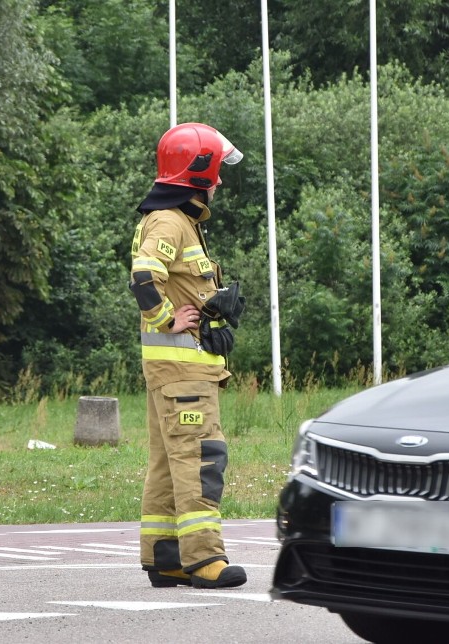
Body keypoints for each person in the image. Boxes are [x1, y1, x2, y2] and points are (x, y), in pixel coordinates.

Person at [129, 122, 247, 589]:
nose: (218, 182)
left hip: (178, 371)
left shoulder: (180, 222)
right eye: (215, 173)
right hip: (182, 372)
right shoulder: (170, 223)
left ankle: (165, 556)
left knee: (167, 461)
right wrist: (166, 319)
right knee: (201, 458)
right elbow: (143, 278)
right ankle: (204, 559)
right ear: (197, 175)